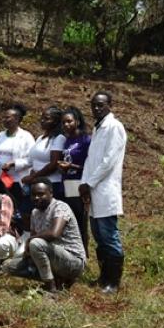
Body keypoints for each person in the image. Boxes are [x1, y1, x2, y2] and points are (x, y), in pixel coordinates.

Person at [2, 179, 87, 293]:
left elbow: (54, 233)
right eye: (33, 195)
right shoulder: (35, 213)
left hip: (73, 261)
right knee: (8, 266)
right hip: (50, 255)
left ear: (51, 193)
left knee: (36, 243)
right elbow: (33, 241)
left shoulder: (60, 207)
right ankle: (58, 279)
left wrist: (30, 241)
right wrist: (27, 255)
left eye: (41, 194)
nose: (37, 198)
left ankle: (51, 288)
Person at [80, 91, 127, 294]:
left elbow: (108, 162)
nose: (96, 108)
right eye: (94, 105)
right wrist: (85, 184)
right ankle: (103, 276)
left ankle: (113, 282)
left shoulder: (114, 127)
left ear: (110, 105)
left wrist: (88, 182)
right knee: (99, 235)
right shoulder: (98, 128)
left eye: (101, 105)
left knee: (109, 236)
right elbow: (92, 161)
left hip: (105, 189)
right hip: (93, 189)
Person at [0, 104, 35, 226]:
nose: (5, 120)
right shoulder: (0, 136)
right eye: (4, 117)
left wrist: (14, 163)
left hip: (17, 180)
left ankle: (21, 233)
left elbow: (31, 159)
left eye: (8, 117)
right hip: (1, 179)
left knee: (18, 208)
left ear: (17, 119)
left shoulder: (26, 137)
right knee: (2, 207)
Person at [57, 106, 91, 255]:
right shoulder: (67, 140)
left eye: (69, 121)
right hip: (66, 183)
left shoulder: (86, 140)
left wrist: (72, 166)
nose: (66, 125)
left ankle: (83, 253)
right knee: (68, 219)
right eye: (63, 122)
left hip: (79, 184)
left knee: (80, 220)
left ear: (77, 121)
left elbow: (91, 165)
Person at [22, 106, 66, 199]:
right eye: (42, 118)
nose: (42, 120)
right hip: (37, 183)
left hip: (51, 183)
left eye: (46, 119)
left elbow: (54, 164)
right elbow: (32, 160)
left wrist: (34, 177)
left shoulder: (59, 138)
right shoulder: (40, 138)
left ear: (55, 121)